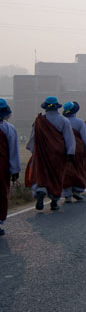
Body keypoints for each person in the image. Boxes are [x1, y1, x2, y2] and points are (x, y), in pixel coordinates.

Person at [26, 96, 75, 211]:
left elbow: (33, 138)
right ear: (57, 107)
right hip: (58, 155)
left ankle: (41, 191)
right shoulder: (64, 120)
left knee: (42, 174)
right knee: (56, 177)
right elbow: (69, 139)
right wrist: (70, 153)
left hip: (42, 154)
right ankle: (54, 201)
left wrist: (34, 151)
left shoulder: (39, 121)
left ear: (45, 108)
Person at [62, 101, 86, 203]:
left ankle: (67, 195)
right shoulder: (79, 122)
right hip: (78, 149)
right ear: (75, 111)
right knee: (78, 169)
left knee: (66, 171)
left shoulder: (62, 121)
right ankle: (77, 190)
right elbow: (85, 137)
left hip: (64, 149)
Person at [0, 99, 21, 236]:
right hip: (1, 167)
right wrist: (15, 171)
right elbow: (13, 152)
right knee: (1, 194)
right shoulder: (9, 128)